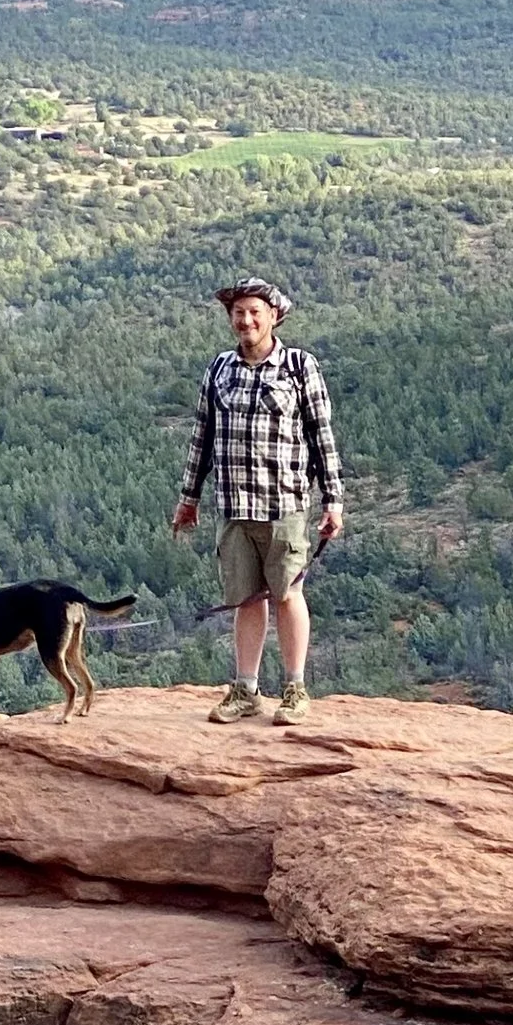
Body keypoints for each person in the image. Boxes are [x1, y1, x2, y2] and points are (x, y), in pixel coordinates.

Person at [172, 275, 343, 724]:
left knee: (288, 594)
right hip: (232, 506)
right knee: (245, 599)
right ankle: (246, 690)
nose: (245, 320)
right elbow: (202, 437)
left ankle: (295, 689)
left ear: (273, 316)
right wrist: (189, 497)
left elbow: (321, 437)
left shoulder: (299, 367)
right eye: (238, 313)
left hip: (284, 503)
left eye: (254, 312)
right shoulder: (220, 369)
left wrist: (333, 500)